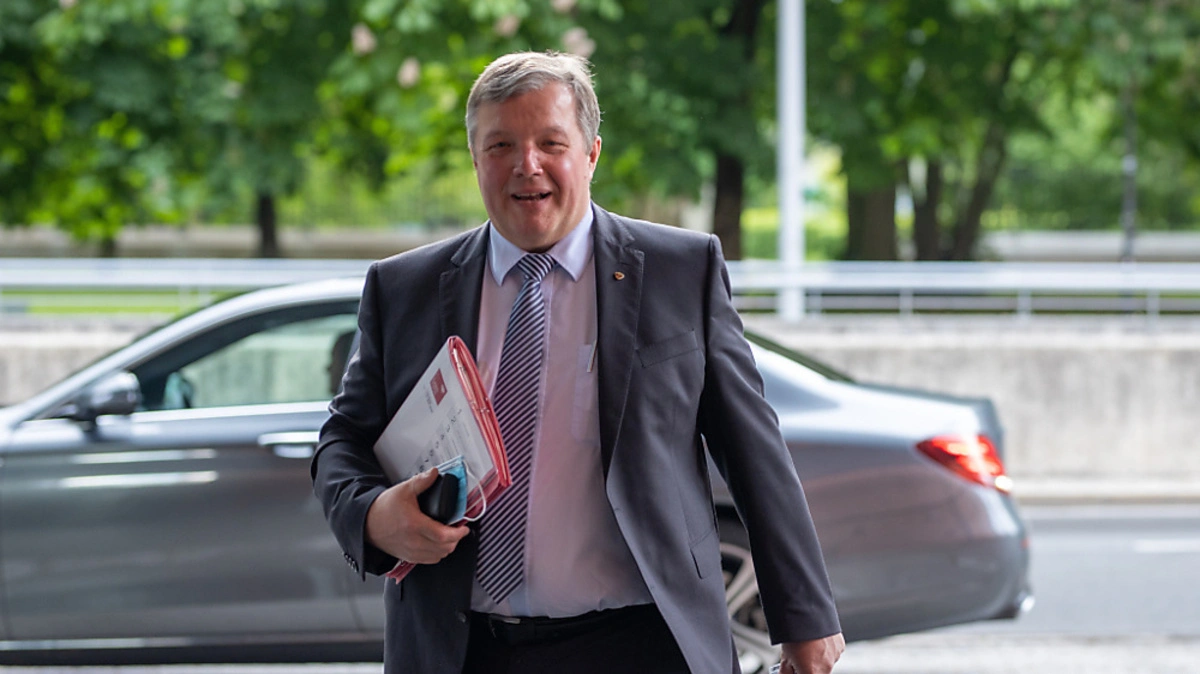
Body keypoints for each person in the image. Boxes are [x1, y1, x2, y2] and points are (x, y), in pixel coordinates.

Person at [312, 50, 844, 674]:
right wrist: (373, 518)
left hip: (644, 643)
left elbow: (753, 450)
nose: (526, 165)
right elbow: (343, 439)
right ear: (475, 158)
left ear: (591, 154)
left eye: (550, 143)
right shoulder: (405, 288)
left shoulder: (679, 271)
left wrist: (805, 617)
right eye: (500, 145)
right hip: (460, 649)